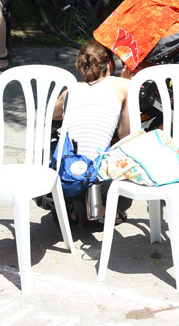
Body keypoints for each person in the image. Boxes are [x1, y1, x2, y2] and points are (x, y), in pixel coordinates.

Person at [52, 39, 132, 223]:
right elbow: (125, 134)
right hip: (100, 179)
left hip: (65, 172)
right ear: (109, 65)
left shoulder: (69, 92)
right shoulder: (123, 86)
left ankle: (70, 205)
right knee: (124, 175)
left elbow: (52, 115)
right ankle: (99, 207)